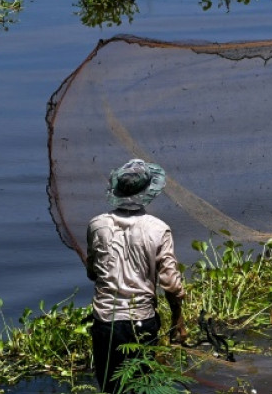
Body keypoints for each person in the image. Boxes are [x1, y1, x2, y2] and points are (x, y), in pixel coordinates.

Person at [86, 158, 187, 394]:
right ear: (147, 192)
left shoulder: (96, 225)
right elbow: (171, 284)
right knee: (142, 386)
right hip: (141, 320)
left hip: (105, 322)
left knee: (110, 388)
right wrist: (178, 319)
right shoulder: (158, 228)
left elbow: (93, 273)